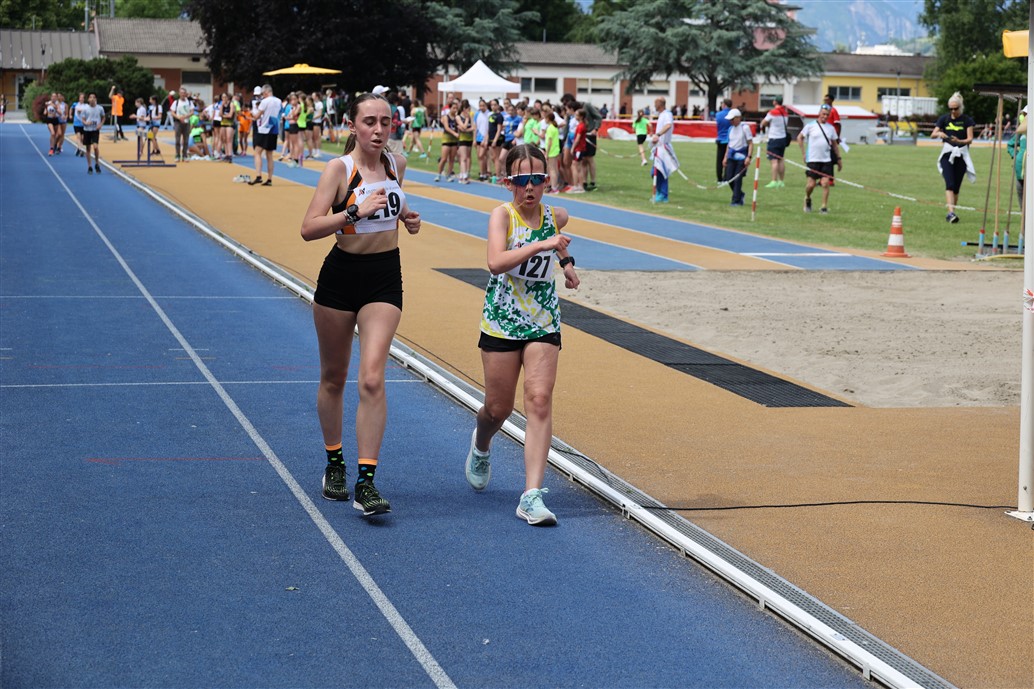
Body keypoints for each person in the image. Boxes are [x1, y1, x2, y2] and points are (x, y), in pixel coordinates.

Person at [299, 92, 422, 516]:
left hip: (384, 279)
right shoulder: (338, 169)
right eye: (369, 121)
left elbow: (392, 208)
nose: (379, 129)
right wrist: (354, 211)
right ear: (352, 126)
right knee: (334, 377)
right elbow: (309, 228)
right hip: (340, 279)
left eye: (385, 122)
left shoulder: (396, 165)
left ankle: (366, 483)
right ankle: (334, 462)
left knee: (371, 379)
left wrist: (408, 218)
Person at [463, 143, 579, 526]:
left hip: (543, 319)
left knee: (539, 399)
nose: (529, 188)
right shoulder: (503, 216)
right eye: (521, 180)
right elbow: (496, 262)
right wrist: (542, 245)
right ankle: (482, 443)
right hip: (502, 320)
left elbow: (556, 240)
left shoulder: (555, 215)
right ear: (507, 182)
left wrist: (567, 264)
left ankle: (531, 495)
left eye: (537, 179)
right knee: (498, 409)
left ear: (547, 181)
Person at [931, 91, 976, 224]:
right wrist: (939, 134)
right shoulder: (944, 119)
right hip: (947, 155)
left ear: (960, 107)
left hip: (961, 155)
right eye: (950, 109)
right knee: (949, 184)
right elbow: (933, 134)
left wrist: (959, 141)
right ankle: (950, 213)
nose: (953, 111)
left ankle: (952, 212)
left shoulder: (967, 120)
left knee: (956, 187)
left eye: (955, 108)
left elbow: (970, 139)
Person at [797, 103, 842, 214]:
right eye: (823, 114)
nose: (825, 116)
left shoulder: (831, 128)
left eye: (827, 115)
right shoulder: (810, 126)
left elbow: (835, 145)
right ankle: (807, 198)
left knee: (825, 183)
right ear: (819, 113)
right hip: (813, 160)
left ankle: (823, 207)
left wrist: (839, 159)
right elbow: (800, 137)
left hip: (826, 160)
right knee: (811, 185)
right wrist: (804, 153)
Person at [249, 84, 282, 186]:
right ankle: (269, 179)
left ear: (266, 92)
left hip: (264, 129)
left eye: (263, 93)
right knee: (269, 155)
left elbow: (257, 116)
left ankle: (258, 176)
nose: (262, 95)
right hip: (274, 129)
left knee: (257, 152)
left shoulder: (265, 101)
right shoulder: (279, 101)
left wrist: (252, 114)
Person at [722, 108, 753, 207]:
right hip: (731, 157)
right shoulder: (730, 129)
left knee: (737, 179)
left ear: (738, 118)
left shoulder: (745, 128)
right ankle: (740, 194)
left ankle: (736, 200)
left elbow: (750, 143)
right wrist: (725, 157)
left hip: (741, 157)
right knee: (729, 178)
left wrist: (749, 157)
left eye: (732, 119)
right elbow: (729, 144)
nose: (730, 121)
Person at [650, 97, 676, 203]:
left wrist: (658, 134)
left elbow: (668, 125)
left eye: (655, 103)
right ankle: (661, 193)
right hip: (658, 147)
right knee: (657, 172)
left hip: (664, 148)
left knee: (660, 171)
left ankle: (662, 194)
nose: (654, 106)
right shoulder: (661, 115)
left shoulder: (667, 114)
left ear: (660, 104)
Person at [760, 96, 790, 188]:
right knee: (781, 160)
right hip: (782, 138)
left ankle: (774, 181)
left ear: (775, 102)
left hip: (774, 138)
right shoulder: (785, 112)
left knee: (774, 161)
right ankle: (781, 181)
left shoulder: (772, 112)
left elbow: (763, 123)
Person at [79, 93, 105, 174]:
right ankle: (89, 166)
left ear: (96, 99)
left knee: (95, 147)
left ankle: (97, 163)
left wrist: (100, 124)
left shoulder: (100, 108)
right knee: (88, 148)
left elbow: (103, 117)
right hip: (87, 130)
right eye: (91, 97)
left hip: (95, 130)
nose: (92, 99)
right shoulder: (85, 109)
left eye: (94, 97)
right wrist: (86, 123)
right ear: (88, 100)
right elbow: (83, 119)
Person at [1008, 106, 1027, 201]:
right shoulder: (1021, 133)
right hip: (1020, 173)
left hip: (1030, 175)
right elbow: (1010, 145)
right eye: (1023, 114)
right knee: (1022, 203)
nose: (1023, 116)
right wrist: (1016, 155)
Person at [172, 87, 194, 162]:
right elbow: (172, 112)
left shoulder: (189, 102)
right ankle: (177, 155)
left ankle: (185, 155)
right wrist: (178, 117)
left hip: (186, 122)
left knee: (186, 140)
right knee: (177, 139)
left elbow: (192, 112)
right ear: (179, 94)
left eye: (184, 93)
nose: (183, 94)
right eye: (181, 93)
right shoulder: (176, 102)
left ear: (186, 94)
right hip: (178, 122)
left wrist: (185, 116)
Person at [714, 98, 733, 183]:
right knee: (728, 159)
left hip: (720, 139)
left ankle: (719, 178)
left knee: (719, 160)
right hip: (730, 140)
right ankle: (726, 177)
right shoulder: (732, 114)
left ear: (724, 105)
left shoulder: (718, 114)